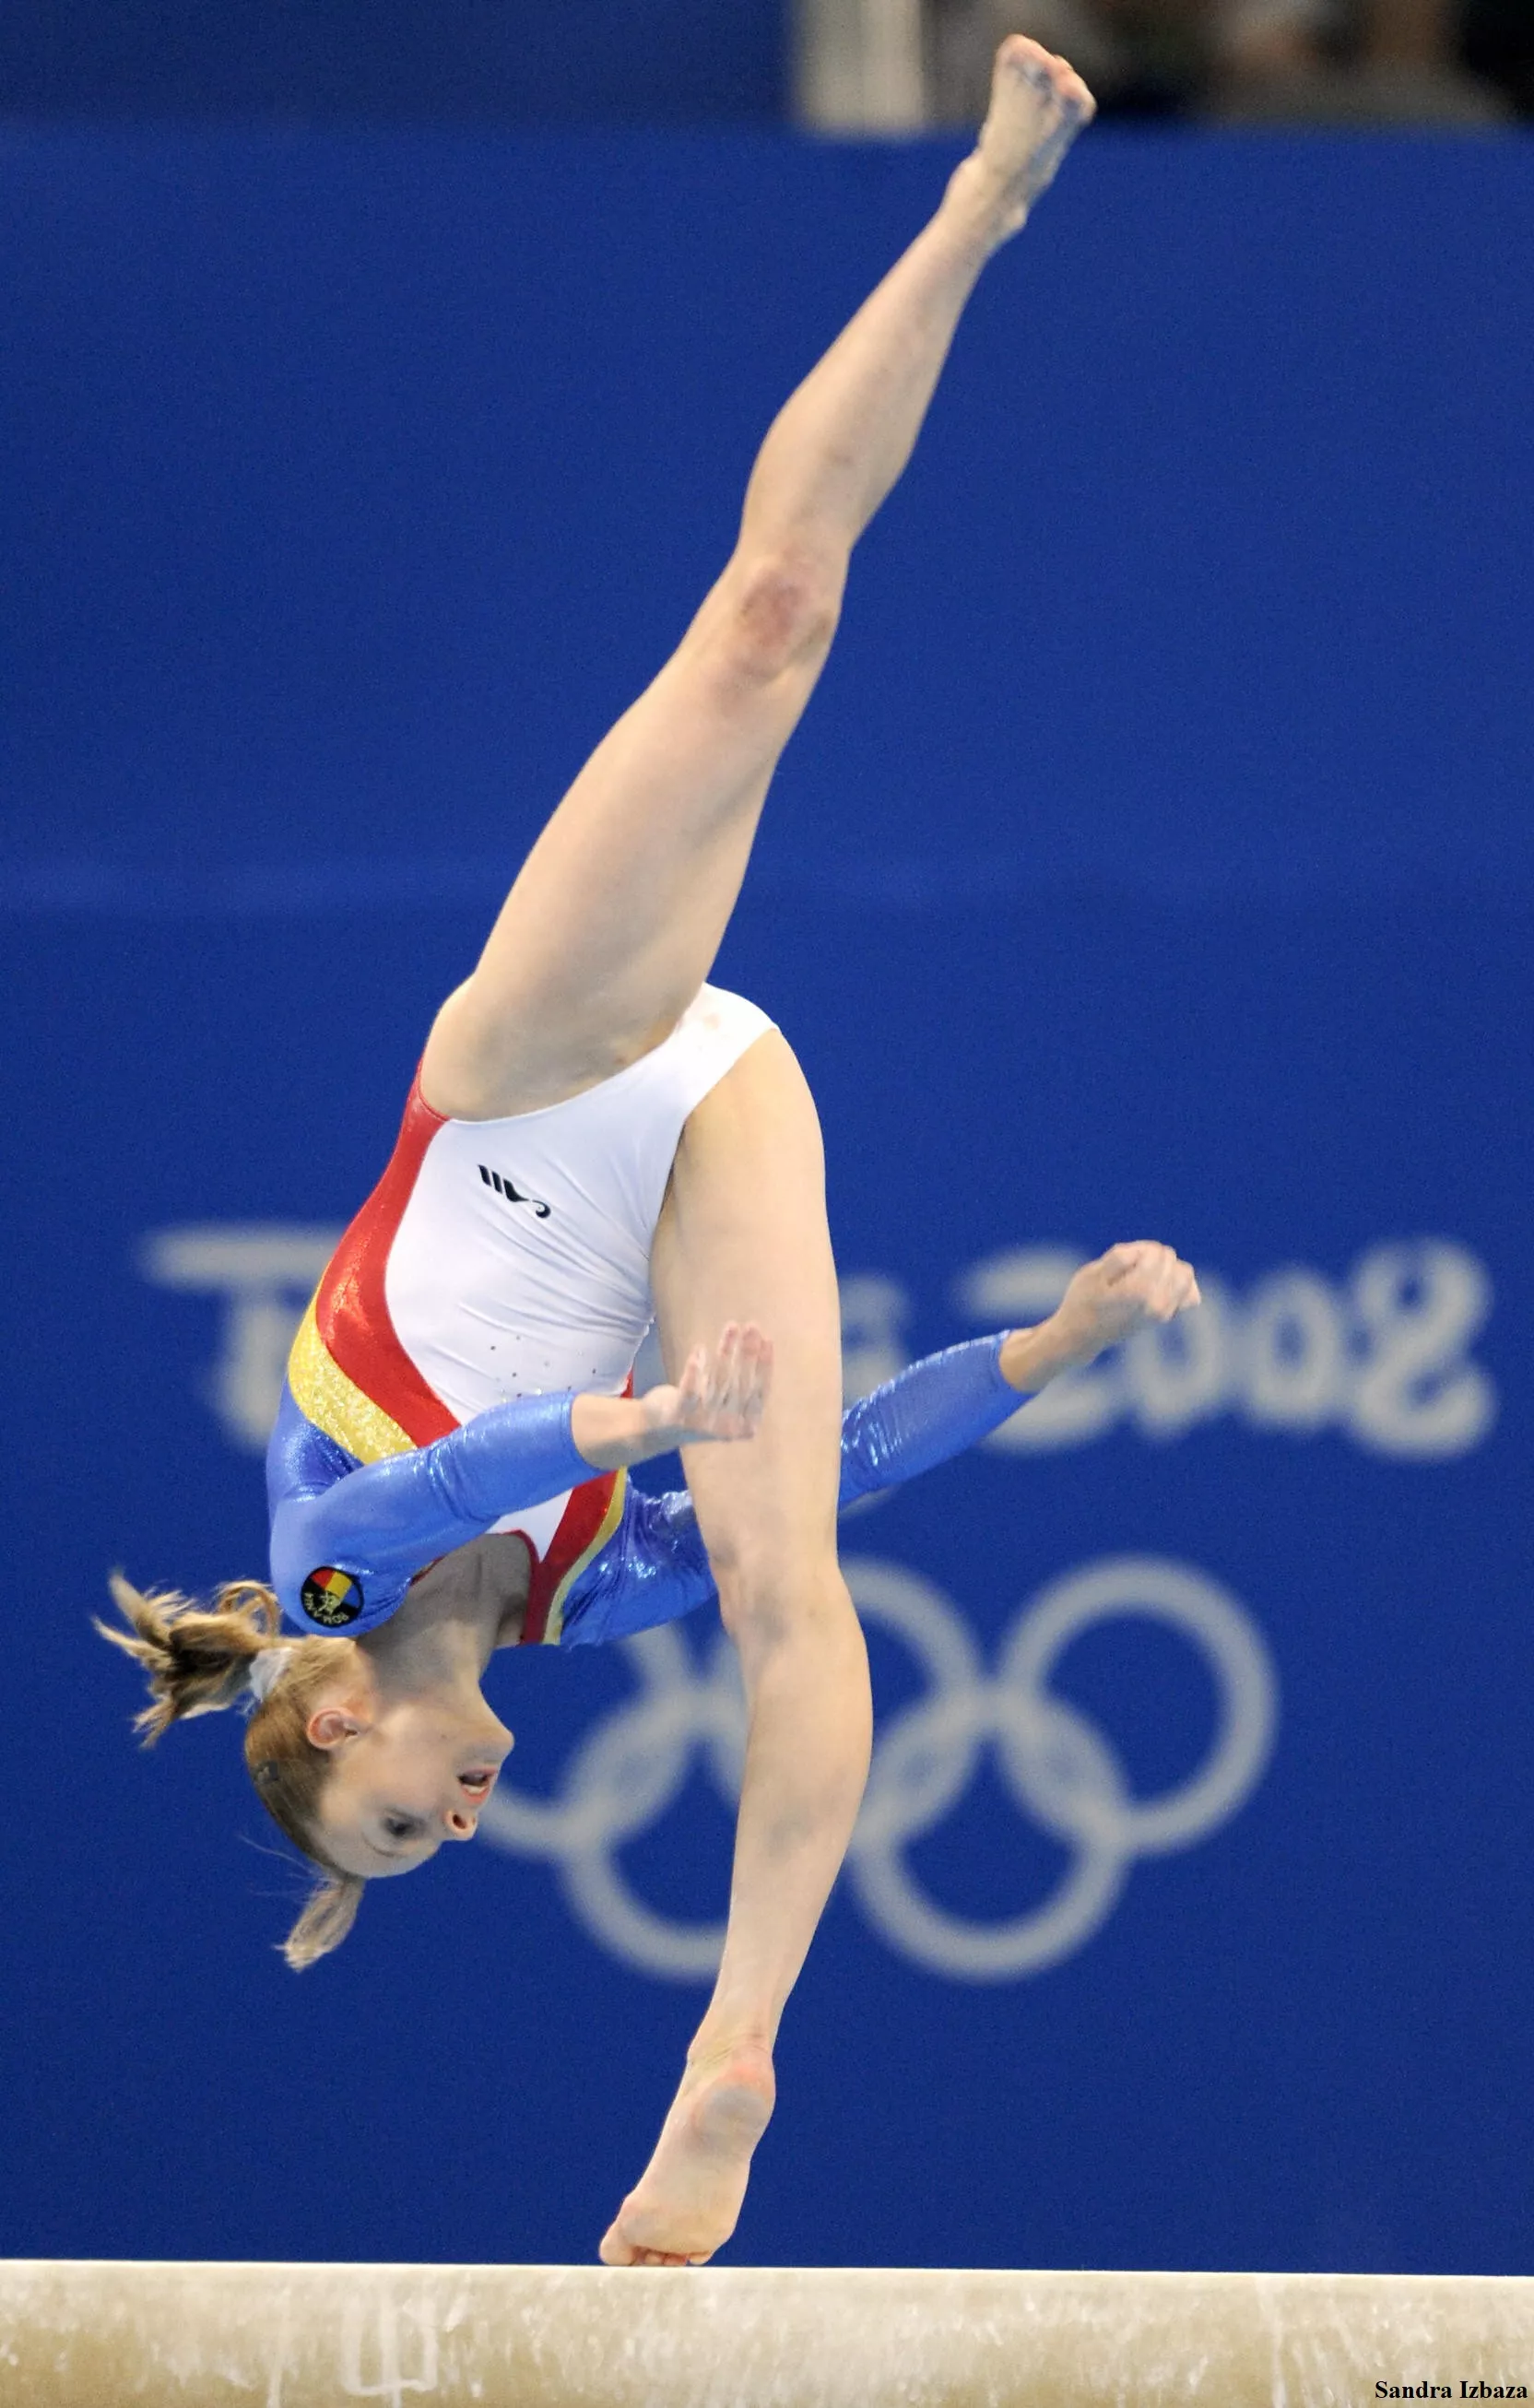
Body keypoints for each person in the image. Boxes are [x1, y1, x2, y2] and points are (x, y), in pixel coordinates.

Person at [102, 39, 1186, 2270]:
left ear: (328, 1715)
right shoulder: (588, 1598)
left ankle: (976, 199)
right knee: (794, 1578)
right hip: (708, 1133)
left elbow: (420, 1486)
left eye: (394, 1832)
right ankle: (740, 2053)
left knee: (769, 620)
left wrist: (624, 1415)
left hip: (523, 1086)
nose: (457, 1825)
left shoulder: (318, 1582)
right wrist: (1053, 1347)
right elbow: (850, 1455)